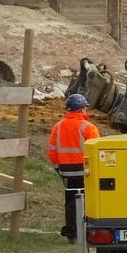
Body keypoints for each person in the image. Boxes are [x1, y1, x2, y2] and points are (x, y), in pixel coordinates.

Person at [48, 93, 101, 242]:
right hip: (86, 172)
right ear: (82, 109)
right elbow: (95, 151)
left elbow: (52, 151)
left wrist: (58, 169)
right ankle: (89, 231)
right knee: (90, 201)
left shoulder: (58, 126)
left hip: (66, 171)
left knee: (71, 201)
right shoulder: (89, 127)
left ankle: (73, 234)